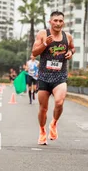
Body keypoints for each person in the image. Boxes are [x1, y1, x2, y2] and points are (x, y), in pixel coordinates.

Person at [32, 11, 75, 145]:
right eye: (55, 20)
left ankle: (54, 123)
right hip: (44, 76)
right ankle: (42, 131)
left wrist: (70, 52)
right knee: (43, 108)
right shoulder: (43, 34)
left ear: (63, 23)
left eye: (60, 21)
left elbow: (73, 48)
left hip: (60, 76)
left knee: (59, 102)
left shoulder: (67, 37)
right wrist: (45, 44)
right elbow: (34, 52)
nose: (58, 23)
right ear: (50, 22)